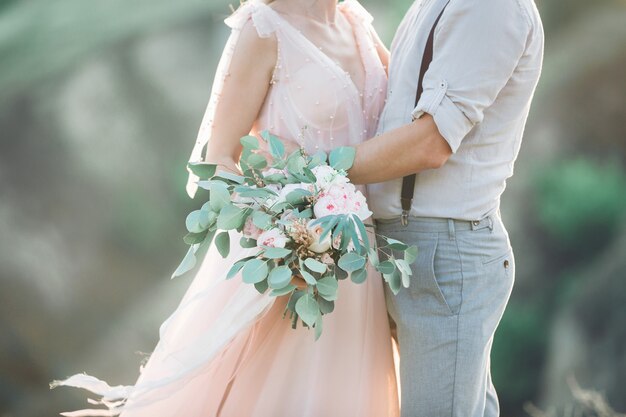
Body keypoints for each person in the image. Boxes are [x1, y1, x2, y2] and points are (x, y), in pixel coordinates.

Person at [51, 0, 401, 416]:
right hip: (288, 267)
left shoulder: (357, 23)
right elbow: (218, 158)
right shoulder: (263, 29)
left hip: (358, 268)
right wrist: (283, 235)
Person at [347, 0, 545, 415]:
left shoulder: (491, 8)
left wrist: (319, 172)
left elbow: (430, 142)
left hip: (443, 256)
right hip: (409, 245)